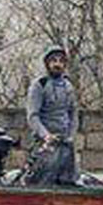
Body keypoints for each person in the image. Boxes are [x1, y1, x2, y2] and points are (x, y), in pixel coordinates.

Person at [22, 44, 79, 186]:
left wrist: (71, 135)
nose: (57, 64)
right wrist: (46, 135)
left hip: (65, 142)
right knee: (43, 182)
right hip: (45, 143)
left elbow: (73, 113)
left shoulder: (68, 86)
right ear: (47, 63)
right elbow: (32, 116)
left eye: (61, 61)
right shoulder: (39, 85)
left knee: (68, 181)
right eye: (54, 60)